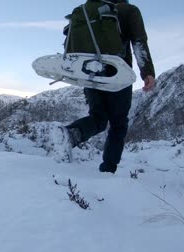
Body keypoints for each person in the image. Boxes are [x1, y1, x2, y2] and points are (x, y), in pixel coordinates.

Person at [64, 0, 156, 173]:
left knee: (98, 118)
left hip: (89, 71)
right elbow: (139, 41)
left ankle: (69, 134)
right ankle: (108, 170)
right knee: (118, 124)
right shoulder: (129, 10)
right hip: (116, 73)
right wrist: (147, 72)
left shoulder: (86, 9)